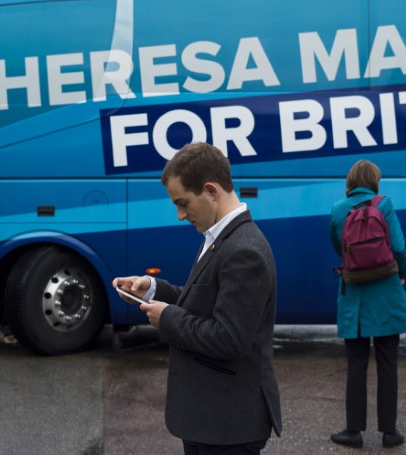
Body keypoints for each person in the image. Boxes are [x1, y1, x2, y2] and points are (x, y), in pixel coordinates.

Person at [114, 142, 282, 454]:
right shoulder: (223, 238)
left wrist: (166, 317)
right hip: (213, 418)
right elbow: (205, 301)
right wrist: (153, 290)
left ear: (210, 190)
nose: (180, 215)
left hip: (227, 425)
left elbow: (230, 338)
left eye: (183, 203)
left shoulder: (243, 250)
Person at [328, 159, 406, 450]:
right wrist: (401, 275)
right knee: (388, 363)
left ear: (351, 181)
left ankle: (353, 432)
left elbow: (339, 245)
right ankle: (390, 433)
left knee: (356, 365)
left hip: (354, 297)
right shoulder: (385, 205)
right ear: (374, 181)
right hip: (386, 295)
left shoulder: (339, 209)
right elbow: (400, 248)